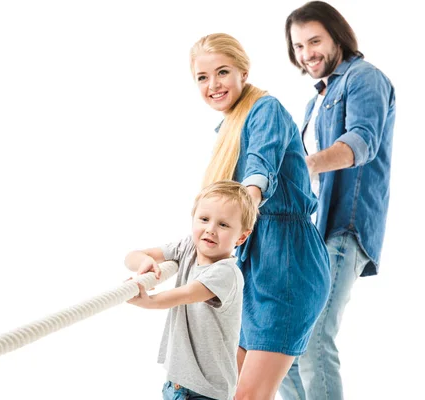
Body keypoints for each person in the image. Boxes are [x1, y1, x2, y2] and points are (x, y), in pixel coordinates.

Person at [189, 33, 330, 400]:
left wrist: (246, 201)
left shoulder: (264, 110)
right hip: (253, 267)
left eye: (222, 72)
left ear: (243, 71)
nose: (213, 85)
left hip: (288, 265)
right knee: (225, 388)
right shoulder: (229, 128)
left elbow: (259, 170)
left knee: (249, 396)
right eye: (202, 77)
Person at [279, 2, 396, 400]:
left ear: (337, 37)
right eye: (298, 46)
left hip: (343, 226)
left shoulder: (364, 79)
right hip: (312, 235)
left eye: (315, 41)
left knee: (312, 340)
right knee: (284, 351)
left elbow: (360, 143)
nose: (306, 53)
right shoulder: (315, 102)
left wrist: (304, 165)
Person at [125, 180, 257, 400]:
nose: (210, 230)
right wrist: (144, 261)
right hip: (176, 383)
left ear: (241, 237)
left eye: (223, 225)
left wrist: (149, 301)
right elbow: (131, 256)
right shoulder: (188, 247)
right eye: (204, 219)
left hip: (206, 392)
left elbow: (186, 294)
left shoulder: (227, 273)